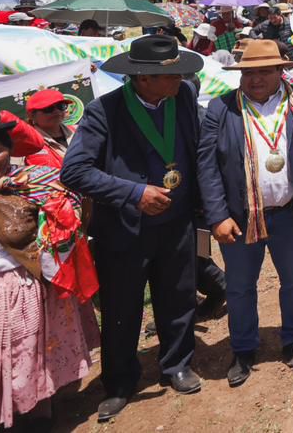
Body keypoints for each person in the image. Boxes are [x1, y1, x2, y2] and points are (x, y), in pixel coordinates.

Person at [61, 35, 205, 421]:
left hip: (176, 223)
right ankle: (120, 382)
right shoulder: (103, 112)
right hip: (125, 230)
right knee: (122, 308)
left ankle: (176, 364)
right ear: (143, 78)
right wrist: (134, 192)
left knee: (178, 298)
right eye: (171, 74)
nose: (180, 78)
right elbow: (74, 171)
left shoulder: (184, 97)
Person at [0, 108, 98, 433]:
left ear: (9, 149)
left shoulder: (36, 183)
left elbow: (36, 144)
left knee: (25, 360)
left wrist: (1, 114)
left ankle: (32, 416)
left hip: (21, 291)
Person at [197, 40, 293, 387]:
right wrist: (217, 216)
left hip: (289, 214)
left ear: (281, 71)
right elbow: (207, 167)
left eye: (264, 72)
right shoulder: (221, 109)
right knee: (239, 287)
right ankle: (243, 347)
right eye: (248, 73)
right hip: (240, 217)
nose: (255, 80)